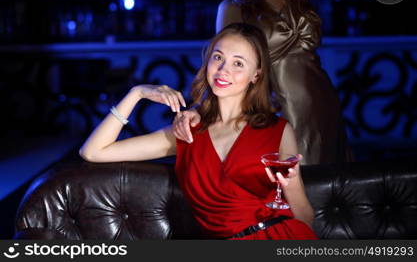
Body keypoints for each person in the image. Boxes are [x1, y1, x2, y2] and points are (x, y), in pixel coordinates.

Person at [79, 23, 317, 239]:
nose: (223, 70)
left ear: (256, 74)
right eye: (218, 57)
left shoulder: (278, 130)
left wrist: (292, 183)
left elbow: (305, 219)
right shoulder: (186, 132)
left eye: (238, 63)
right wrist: (136, 93)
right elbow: (93, 152)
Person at [173, 0, 353, 165]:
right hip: (275, 107)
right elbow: (222, 65)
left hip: (322, 105)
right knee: (287, 180)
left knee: (327, 182)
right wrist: (199, 109)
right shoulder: (234, 7)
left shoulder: (301, 1)